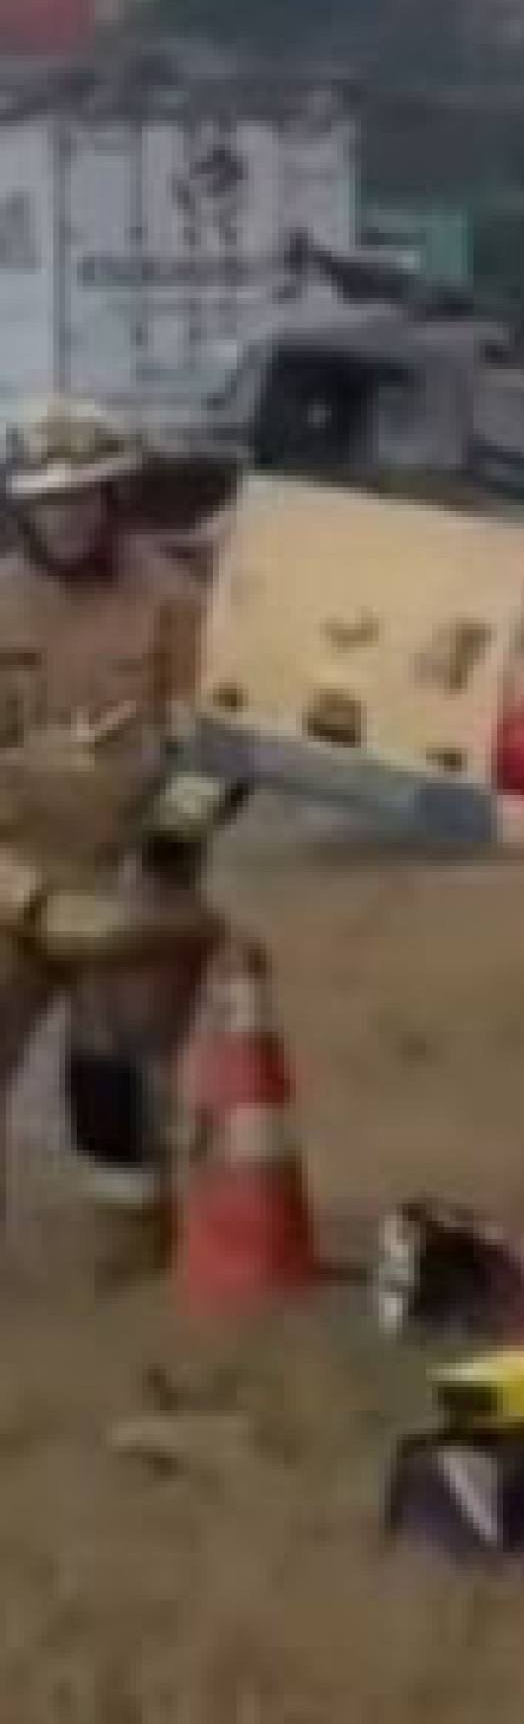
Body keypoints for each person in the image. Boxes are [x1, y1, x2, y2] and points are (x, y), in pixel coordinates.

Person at [0, 398, 234, 1280]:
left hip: (134, 881)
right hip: (14, 870)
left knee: (113, 1080)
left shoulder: (176, 602)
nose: (66, 518)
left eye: (84, 497)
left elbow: (216, 752)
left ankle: (128, 1268)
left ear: (116, 499)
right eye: (47, 502)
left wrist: (161, 866)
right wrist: (25, 893)